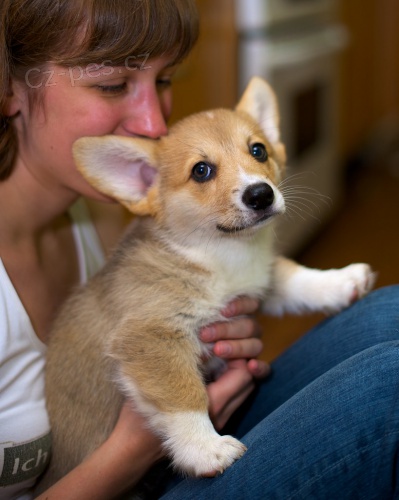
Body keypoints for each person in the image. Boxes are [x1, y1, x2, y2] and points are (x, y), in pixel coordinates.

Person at [0, 1, 398, 499]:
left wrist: (222, 340)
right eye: (111, 84)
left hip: (183, 437)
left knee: (392, 314)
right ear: (8, 88)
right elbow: (149, 346)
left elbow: (195, 298)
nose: (154, 123)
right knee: (390, 387)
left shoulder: (98, 212)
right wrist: (139, 445)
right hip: (135, 477)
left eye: (165, 80)